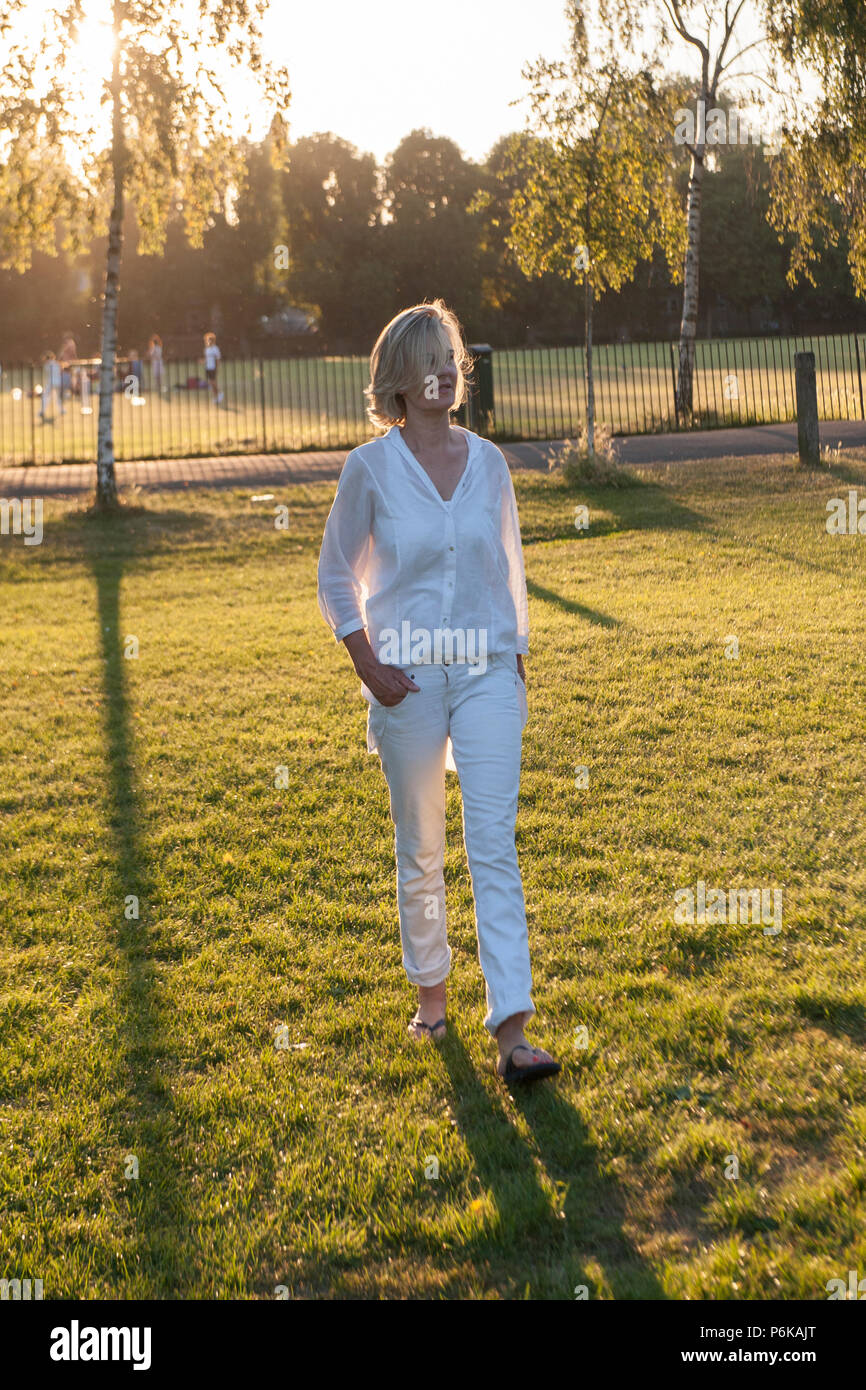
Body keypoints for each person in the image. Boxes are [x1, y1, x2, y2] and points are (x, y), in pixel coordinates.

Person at [316, 300, 561, 1087]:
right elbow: (335, 576)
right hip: (407, 679)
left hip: (488, 671)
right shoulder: (370, 470)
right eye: (428, 358)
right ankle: (431, 1000)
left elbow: (510, 567)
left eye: (451, 355)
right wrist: (365, 662)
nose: (445, 369)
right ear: (398, 377)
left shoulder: (489, 461)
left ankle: (514, 1030)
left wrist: (516, 654)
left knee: (494, 842)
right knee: (420, 844)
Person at [39, 351, 64, 421]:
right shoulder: (57, 363)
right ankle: (61, 410)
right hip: (58, 381)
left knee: (45, 396)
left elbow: (47, 372)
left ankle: (42, 410)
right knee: (57, 396)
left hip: (51, 382)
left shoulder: (47, 365)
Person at [203, 331, 223, 403]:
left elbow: (218, 359)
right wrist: (202, 361)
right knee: (211, 383)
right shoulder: (206, 349)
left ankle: (220, 393)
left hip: (213, 367)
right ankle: (216, 396)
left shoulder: (215, 348)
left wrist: (217, 368)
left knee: (213, 382)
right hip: (208, 368)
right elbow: (206, 359)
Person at [58, 332, 77, 400]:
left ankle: (66, 394)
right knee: (68, 379)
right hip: (67, 364)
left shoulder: (70, 343)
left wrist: (60, 359)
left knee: (68, 379)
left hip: (67, 364)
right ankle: (66, 394)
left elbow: (67, 353)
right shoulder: (70, 343)